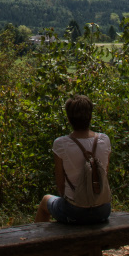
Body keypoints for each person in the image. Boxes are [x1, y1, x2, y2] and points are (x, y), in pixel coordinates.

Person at [34, 94, 112, 224]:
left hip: (74, 210)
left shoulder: (60, 144)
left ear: (69, 119)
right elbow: (104, 174)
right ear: (90, 117)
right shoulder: (105, 140)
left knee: (45, 201)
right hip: (103, 209)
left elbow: (60, 182)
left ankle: (39, 243)